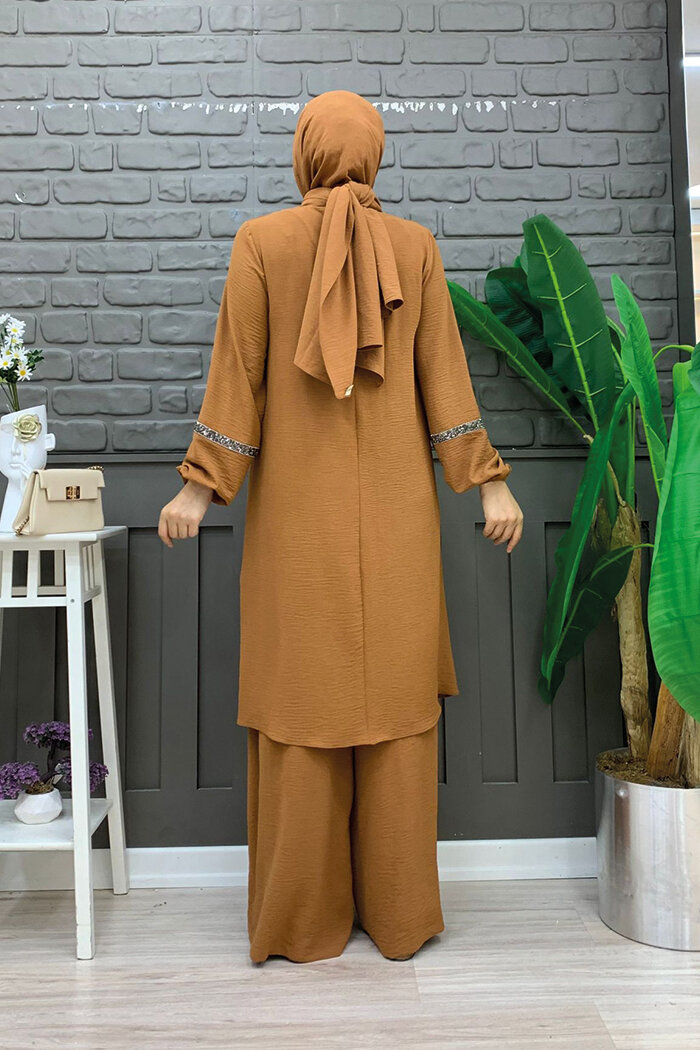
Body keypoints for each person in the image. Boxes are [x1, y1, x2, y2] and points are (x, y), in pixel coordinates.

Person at [158, 90, 523, 964]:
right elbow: (445, 377)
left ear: (305, 153)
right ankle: (398, 917)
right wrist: (489, 486)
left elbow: (238, 375)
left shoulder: (262, 242)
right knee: (394, 712)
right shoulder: (416, 246)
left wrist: (200, 491)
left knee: (302, 708)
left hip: (296, 526)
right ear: (375, 151)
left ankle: (301, 923)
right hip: (399, 522)